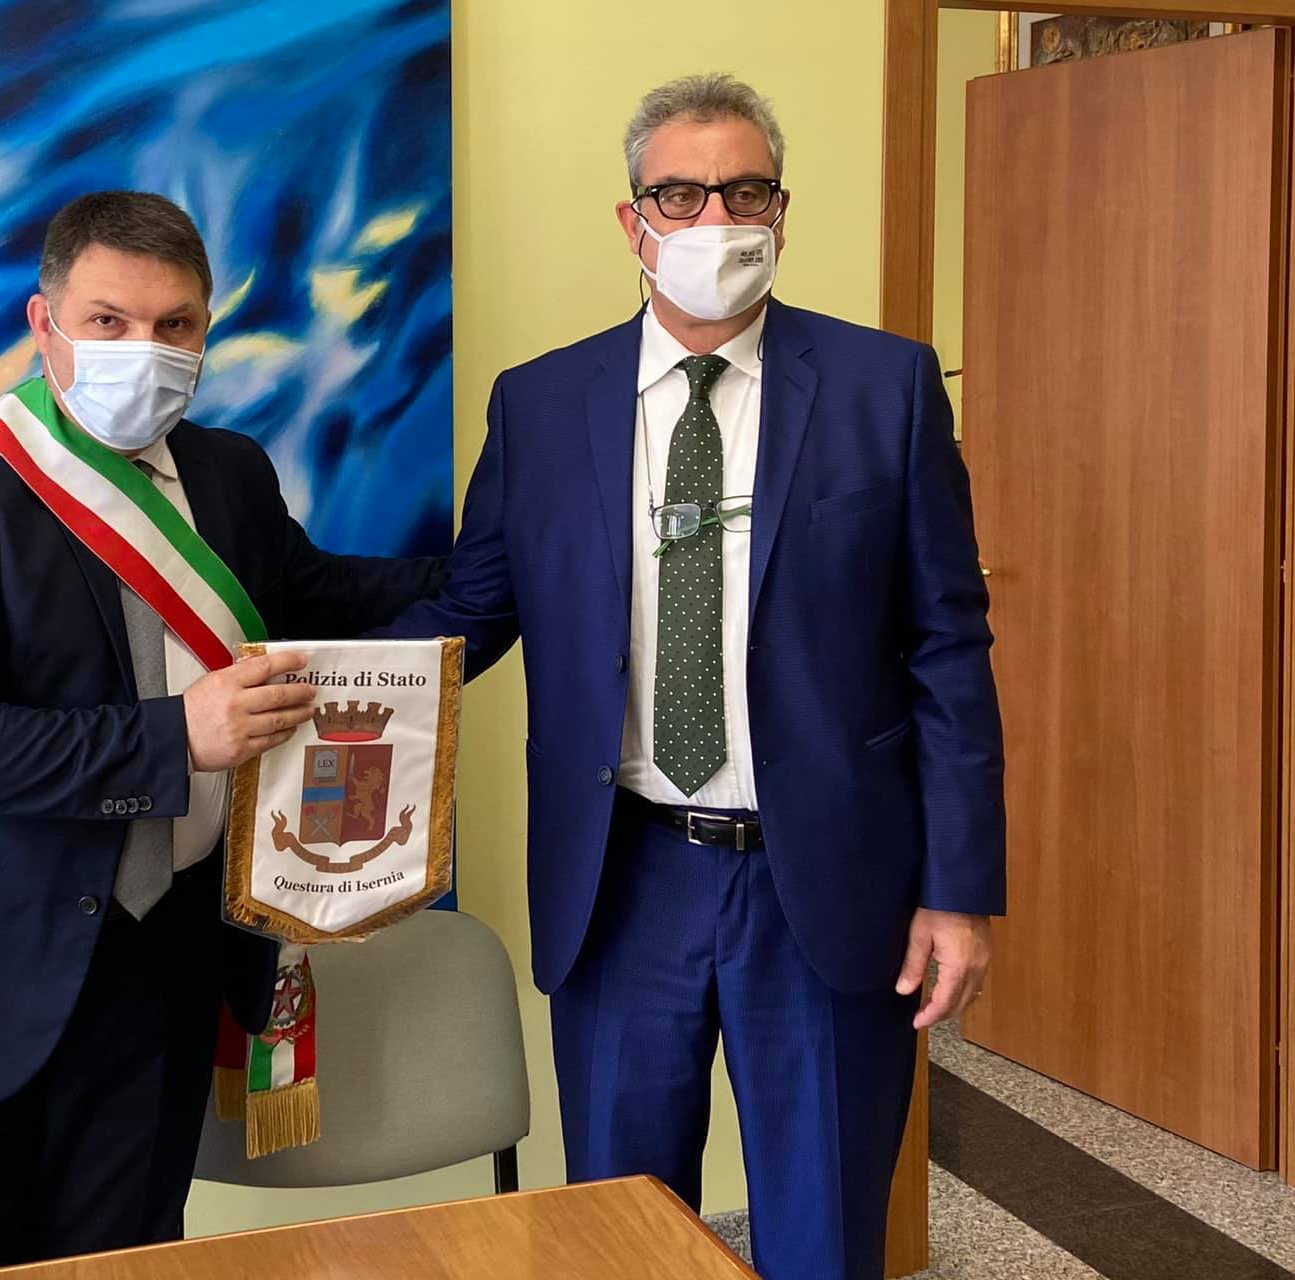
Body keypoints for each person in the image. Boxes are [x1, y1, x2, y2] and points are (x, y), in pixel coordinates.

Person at [377, 74, 1005, 1278]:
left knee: (825, 1232)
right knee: (622, 1236)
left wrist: (957, 885)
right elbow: (472, 610)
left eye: (743, 190)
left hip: (826, 880)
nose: (714, 216)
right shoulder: (541, 403)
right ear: (633, 221)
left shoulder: (884, 388)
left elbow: (946, 646)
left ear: (781, 213)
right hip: (622, 877)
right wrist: (310, 680)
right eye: (679, 193)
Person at [0, 190, 445, 1280]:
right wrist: (177, 736)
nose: (145, 350)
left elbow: (338, 597)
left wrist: (528, 566)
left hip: (156, 984)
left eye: (175, 324)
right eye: (108, 321)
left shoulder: (230, 474)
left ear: (206, 330)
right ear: (44, 323)